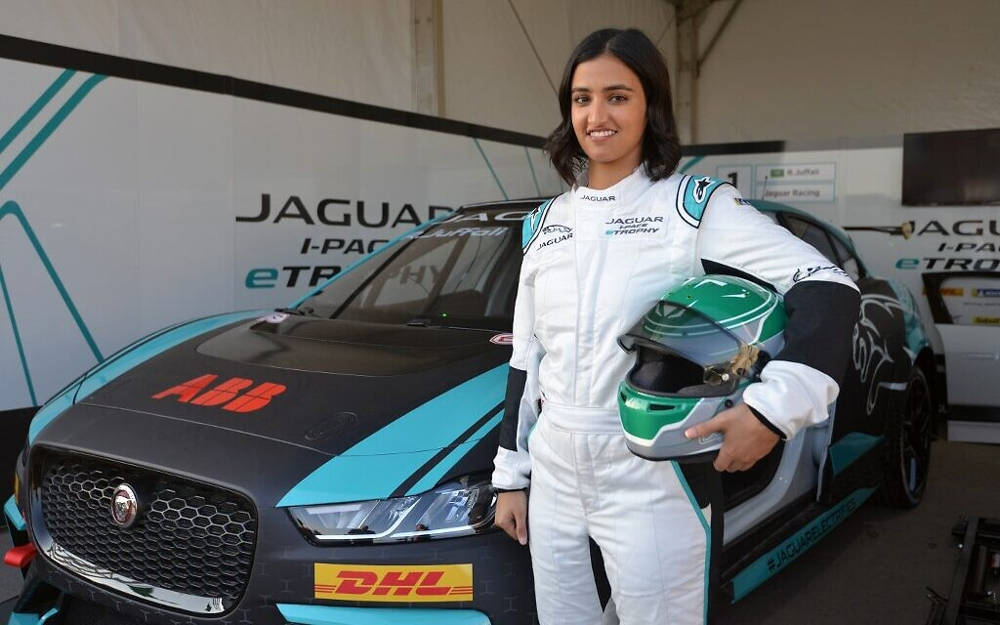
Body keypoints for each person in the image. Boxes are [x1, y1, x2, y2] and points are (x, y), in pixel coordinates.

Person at [491, 28, 860, 625]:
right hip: (554, 465)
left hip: (650, 466)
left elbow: (828, 286)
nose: (597, 114)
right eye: (582, 99)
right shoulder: (543, 222)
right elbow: (526, 359)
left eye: (618, 96)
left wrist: (772, 411)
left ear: (650, 106)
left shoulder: (692, 204)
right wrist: (511, 476)